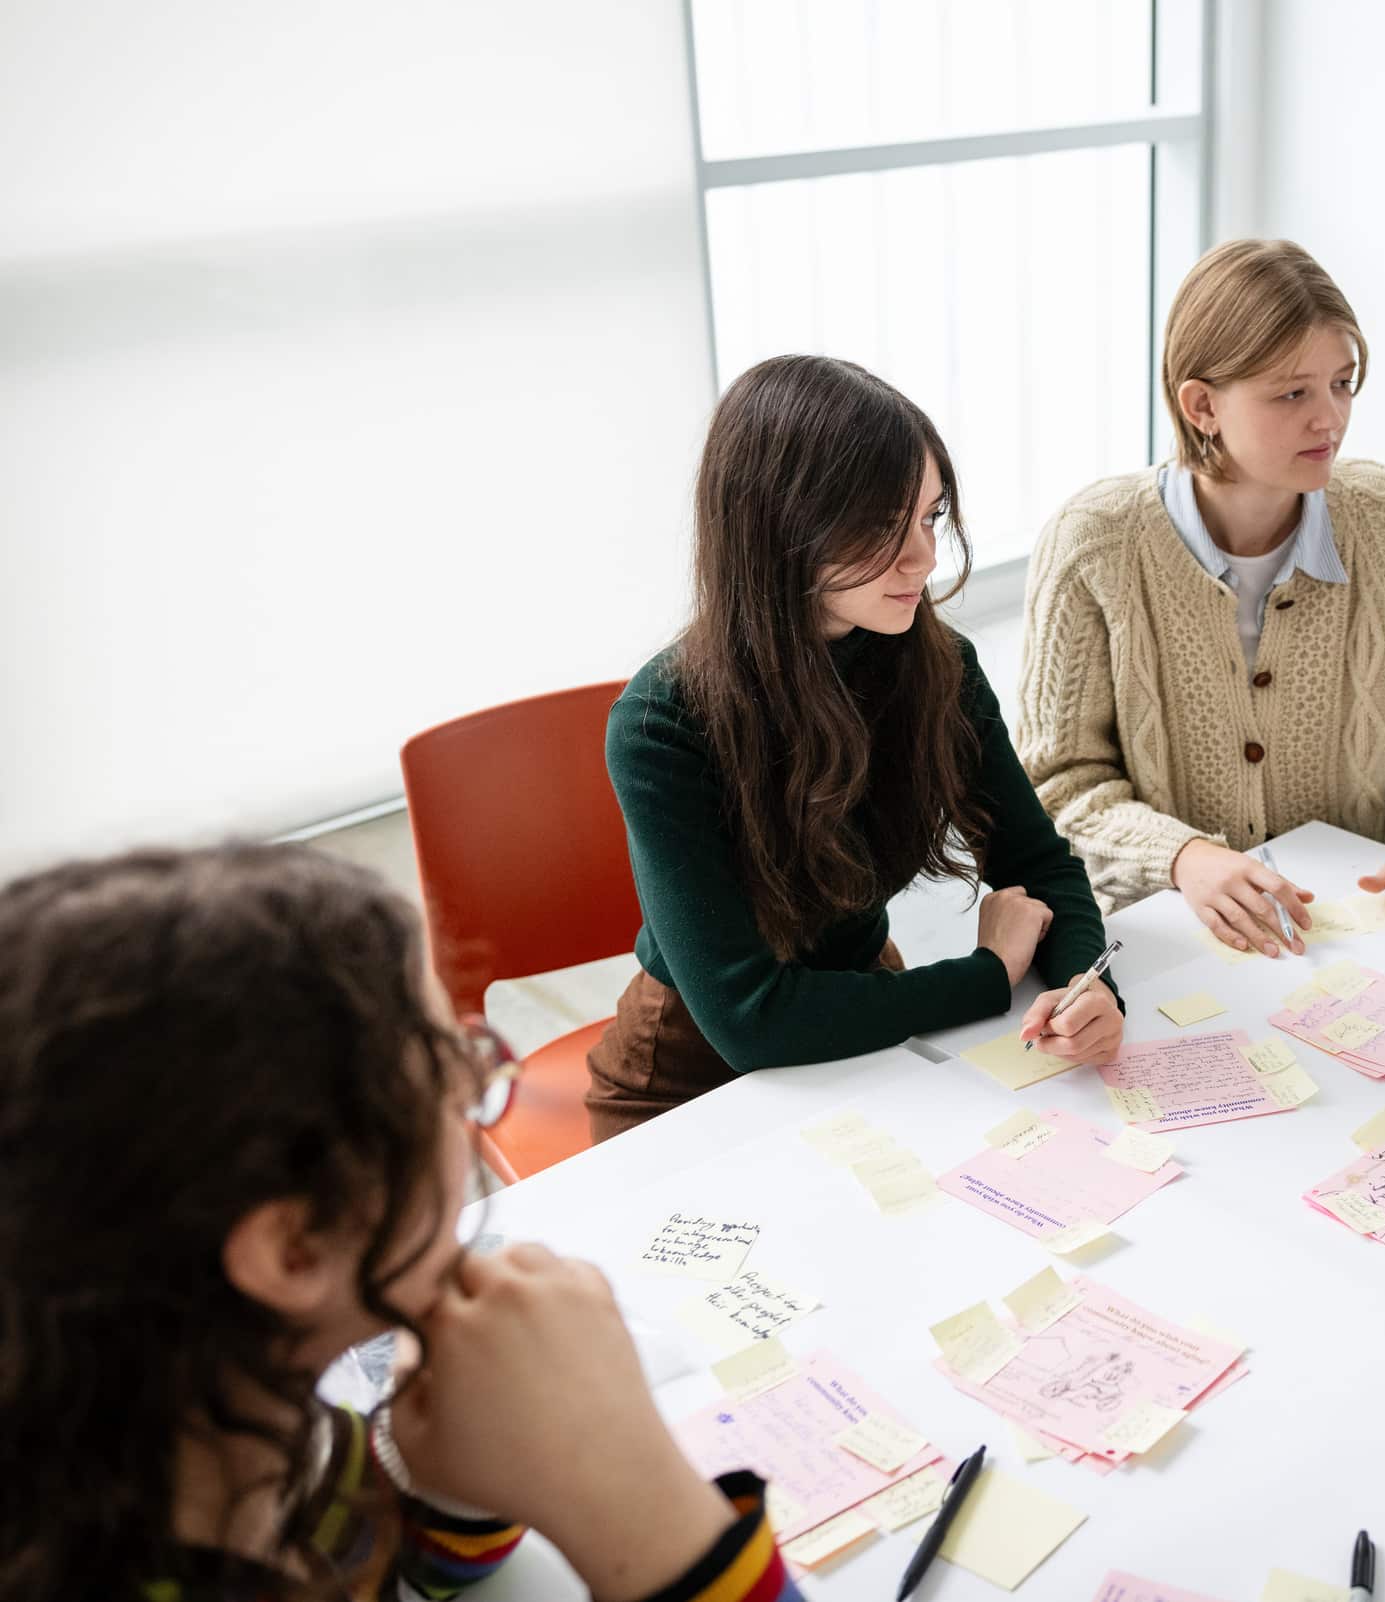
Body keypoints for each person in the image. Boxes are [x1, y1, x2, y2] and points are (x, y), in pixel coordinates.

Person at [0, 844, 800, 1602]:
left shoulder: (226, 1426)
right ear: (296, 1245)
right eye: (450, 1071)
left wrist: (447, 1486)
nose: (481, 1079)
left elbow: (383, 1555)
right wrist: (644, 1505)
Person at [589, 356, 1123, 1140]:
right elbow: (750, 1018)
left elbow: (1037, 862)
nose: (925, 559)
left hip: (867, 1028)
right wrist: (987, 976)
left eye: (931, 517)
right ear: (779, 525)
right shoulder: (662, 724)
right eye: (882, 526)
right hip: (690, 1074)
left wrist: (1088, 984)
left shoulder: (937, 665)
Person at [1018, 238, 1385, 956]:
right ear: (1202, 404)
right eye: (1293, 393)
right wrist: (1185, 858)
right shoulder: (1094, 543)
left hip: (1351, 924)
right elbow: (1059, 783)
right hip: (1167, 929)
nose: (1330, 418)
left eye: (1343, 382)